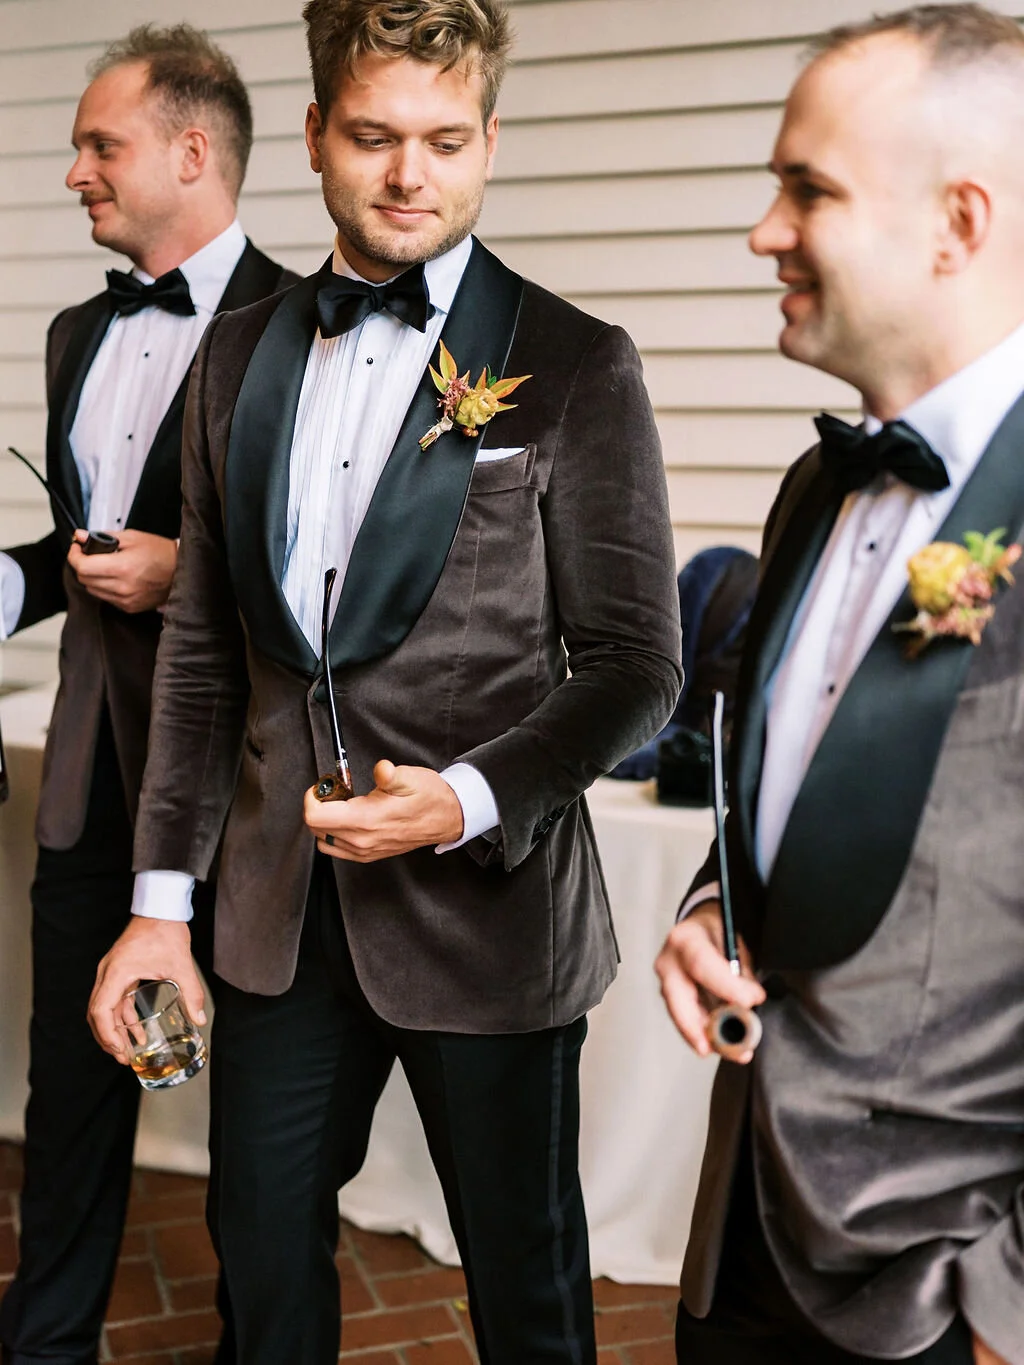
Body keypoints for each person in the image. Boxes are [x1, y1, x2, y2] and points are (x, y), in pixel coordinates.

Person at [85, 1, 682, 1362]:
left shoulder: (578, 363)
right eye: (372, 137)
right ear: (312, 137)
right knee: (262, 1260)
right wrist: (158, 910)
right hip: (277, 923)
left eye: (445, 140)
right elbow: (201, 658)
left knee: (526, 1289)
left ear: (488, 144)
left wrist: (468, 799)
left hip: (490, 917)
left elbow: (640, 663)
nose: (410, 174)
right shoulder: (234, 357)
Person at [655, 6, 1024, 1365]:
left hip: (941, 1287)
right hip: (744, 1227)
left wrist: (1005, 1312)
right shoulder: (821, 485)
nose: (765, 230)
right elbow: (801, 766)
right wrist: (716, 904)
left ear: (957, 222)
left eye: (807, 188)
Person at [0, 25, 297, 1365]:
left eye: (98, 146)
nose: (75, 173)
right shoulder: (76, 334)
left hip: (240, 800)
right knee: (71, 1093)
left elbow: (330, 585)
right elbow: (88, 552)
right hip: (85, 792)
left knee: (260, 1136)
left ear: (193, 151)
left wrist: (191, 575)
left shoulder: (304, 329)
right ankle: (47, 1342)